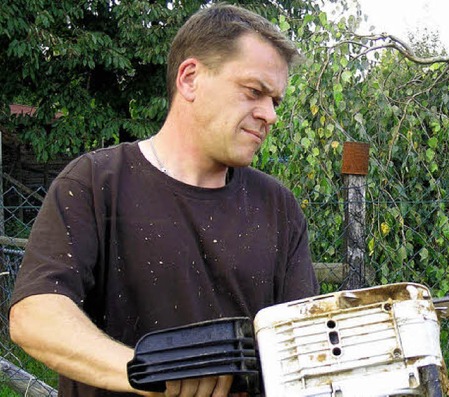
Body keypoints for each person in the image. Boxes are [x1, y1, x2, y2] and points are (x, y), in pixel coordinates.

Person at [9, 4, 318, 396]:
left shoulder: (279, 208)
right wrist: (151, 371)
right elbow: (35, 315)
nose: (270, 115)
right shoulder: (94, 183)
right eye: (255, 92)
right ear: (190, 79)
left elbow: (303, 349)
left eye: (275, 101)